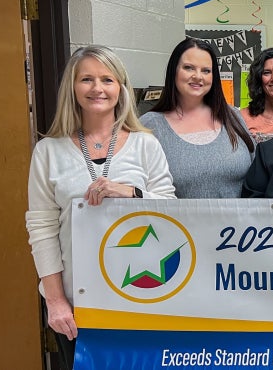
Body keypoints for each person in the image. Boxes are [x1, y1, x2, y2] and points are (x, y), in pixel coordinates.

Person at [25, 46, 176, 369]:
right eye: (87, 79)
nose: (97, 88)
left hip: (142, 295)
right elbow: (41, 230)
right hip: (77, 303)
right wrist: (55, 302)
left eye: (107, 79)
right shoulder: (48, 151)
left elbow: (171, 211)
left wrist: (131, 192)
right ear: (73, 87)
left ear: (120, 88)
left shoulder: (144, 143)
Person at [141, 38, 255, 198]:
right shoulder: (150, 125)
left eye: (206, 71)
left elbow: (256, 173)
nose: (198, 76)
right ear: (174, 71)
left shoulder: (232, 115)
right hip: (178, 223)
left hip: (238, 223)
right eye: (189, 68)